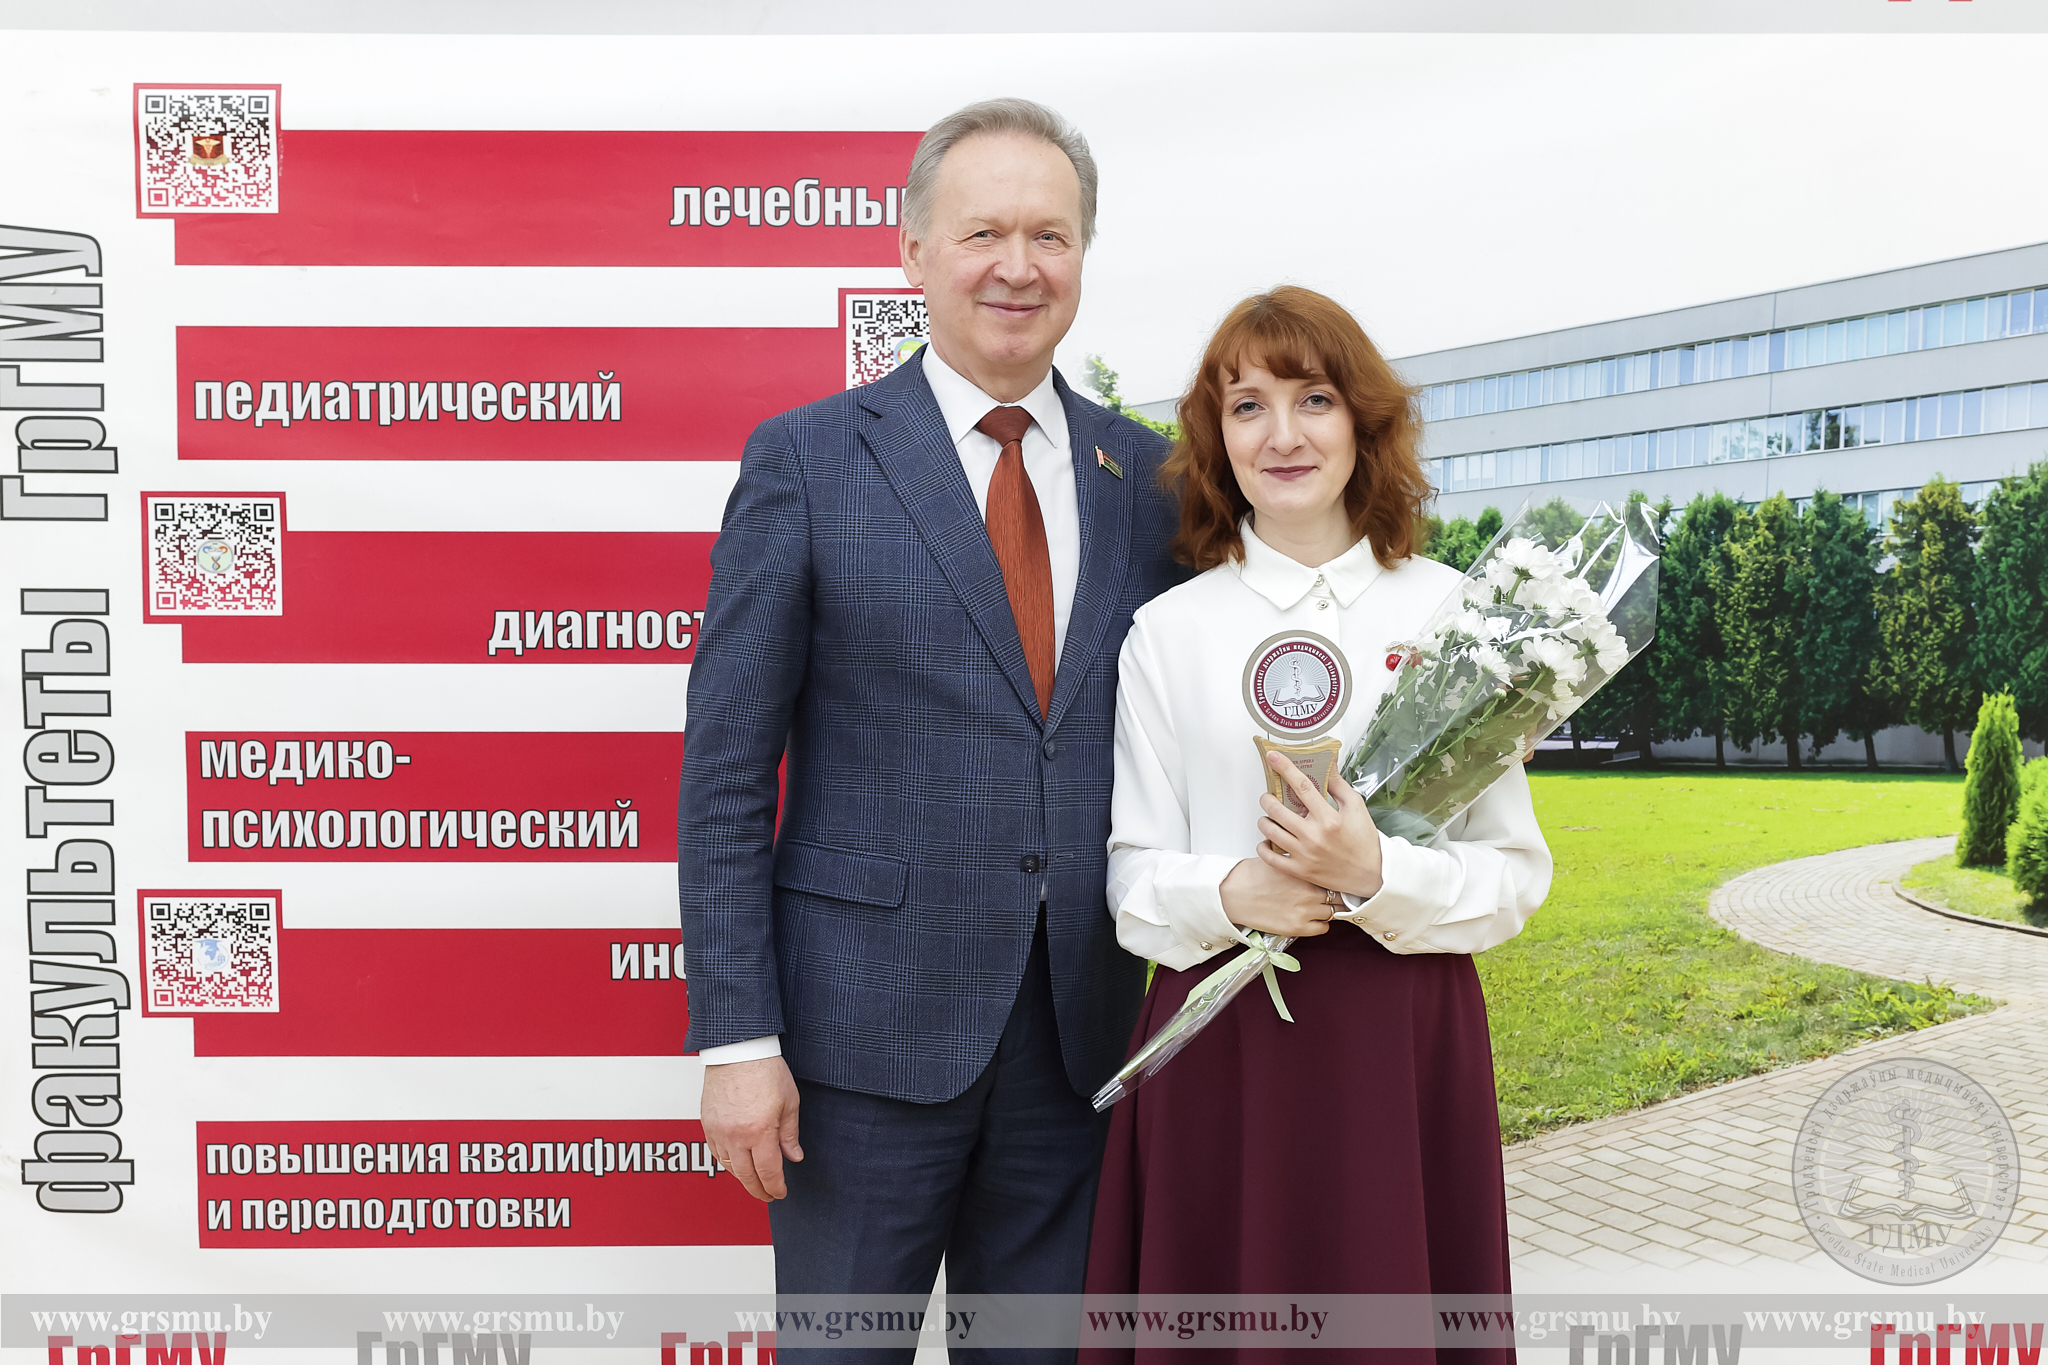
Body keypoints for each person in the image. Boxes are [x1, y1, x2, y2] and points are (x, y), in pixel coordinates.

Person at [678, 97, 1183, 1348]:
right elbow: (726, 775)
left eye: (1049, 235)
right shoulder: (807, 461)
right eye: (982, 233)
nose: (1018, 266)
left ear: (1082, 255)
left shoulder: (1150, 482)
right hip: (857, 1053)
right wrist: (736, 1040)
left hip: (1080, 1048)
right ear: (912, 254)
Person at [1083, 286, 1552, 1362]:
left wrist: (1375, 873)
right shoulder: (1165, 631)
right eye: (1246, 406)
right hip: (1219, 1047)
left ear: (1363, 421)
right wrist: (1232, 894)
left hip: (1403, 1040)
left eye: (1314, 399)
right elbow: (1131, 878)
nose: (1281, 435)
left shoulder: (1458, 615)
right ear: (1216, 438)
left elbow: (1511, 876)